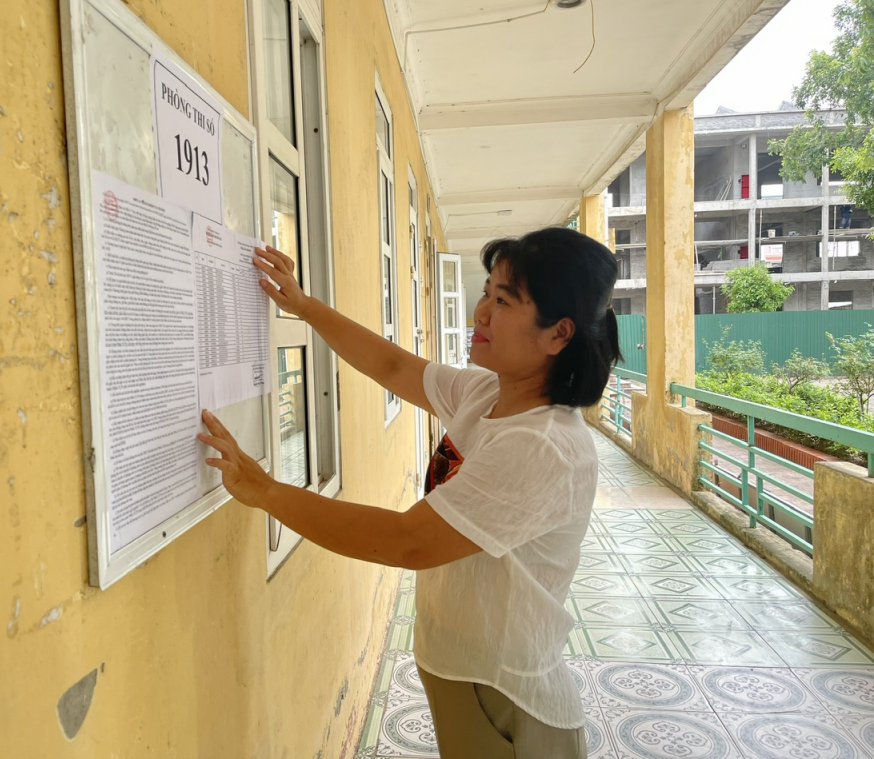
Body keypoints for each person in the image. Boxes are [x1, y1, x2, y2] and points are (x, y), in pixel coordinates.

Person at [198, 227, 621, 759]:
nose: (480, 313)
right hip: (465, 674)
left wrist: (265, 491)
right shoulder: (486, 393)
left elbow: (407, 541)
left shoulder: (542, 446)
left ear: (558, 334)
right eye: (486, 293)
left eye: (503, 301)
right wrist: (303, 307)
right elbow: (395, 366)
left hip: (507, 699)